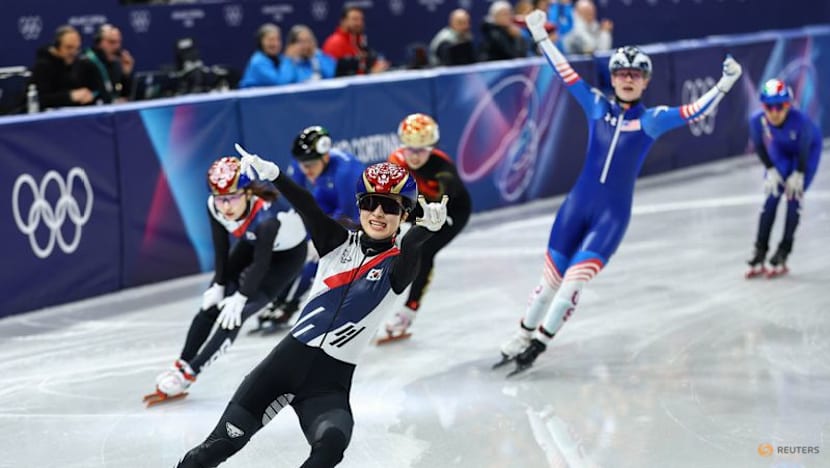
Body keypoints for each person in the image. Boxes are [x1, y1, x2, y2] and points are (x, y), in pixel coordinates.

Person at [496, 10, 743, 374]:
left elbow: (693, 111)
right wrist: (541, 38)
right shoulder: (596, 106)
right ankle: (521, 335)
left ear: (645, 82)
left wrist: (724, 84)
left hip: (610, 218)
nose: (628, 80)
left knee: (569, 287)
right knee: (548, 284)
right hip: (575, 208)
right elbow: (566, 74)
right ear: (613, 78)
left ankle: (539, 344)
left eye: (635, 75)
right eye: (622, 73)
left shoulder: (651, 119)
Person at [176, 149, 449, 467]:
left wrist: (426, 231)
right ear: (359, 205)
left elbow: (413, 246)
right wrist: (276, 174)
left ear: (404, 214)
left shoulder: (399, 265)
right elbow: (307, 205)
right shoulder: (335, 241)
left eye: (389, 205)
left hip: (327, 390)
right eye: (368, 202)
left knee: (330, 448)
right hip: (276, 372)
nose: (377, 212)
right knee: (211, 451)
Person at [145, 156, 308, 405]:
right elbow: (220, 247)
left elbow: (262, 264)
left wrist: (241, 297)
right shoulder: (214, 205)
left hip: (285, 257)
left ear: (248, 193)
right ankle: (182, 364)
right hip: (252, 244)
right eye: (221, 199)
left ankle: (190, 374)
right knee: (210, 305)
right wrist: (219, 283)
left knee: (233, 315)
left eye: (232, 197)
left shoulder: (267, 218)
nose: (226, 206)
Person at [254, 126, 366, 331]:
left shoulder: (346, 172)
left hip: (353, 213)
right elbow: (294, 196)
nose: (307, 171)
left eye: (311, 164)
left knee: (319, 255)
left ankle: (292, 303)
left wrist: (319, 239)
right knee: (295, 247)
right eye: (302, 165)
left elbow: (348, 213)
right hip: (326, 201)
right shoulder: (301, 165)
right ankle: (279, 298)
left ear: (325, 157)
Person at [383, 113, 472, 340]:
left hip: (450, 210)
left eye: (421, 150)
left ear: (431, 148)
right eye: (409, 149)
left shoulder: (443, 170)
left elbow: (438, 209)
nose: (414, 156)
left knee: (424, 249)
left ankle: (409, 310)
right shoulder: (396, 159)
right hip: (420, 205)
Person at [745, 78, 822, 278]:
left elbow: (804, 149)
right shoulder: (756, 120)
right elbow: (760, 147)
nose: (774, 112)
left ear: (788, 105)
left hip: (806, 153)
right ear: (763, 107)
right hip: (780, 150)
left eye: (780, 106)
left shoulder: (801, 121)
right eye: (769, 107)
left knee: (793, 198)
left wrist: (799, 173)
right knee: (771, 198)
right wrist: (770, 168)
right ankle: (760, 250)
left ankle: (783, 251)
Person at [28, 25, 95, 109]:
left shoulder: (79, 63)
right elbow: (41, 99)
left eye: (77, 48)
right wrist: (70, 96)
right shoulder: (43, 66)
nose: (73, 52)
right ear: (57, 46)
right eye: (69, 47)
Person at [322, 6, 389, 76]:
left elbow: (369, 63)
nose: (359, 23)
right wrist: (370, 73)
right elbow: (334, 74)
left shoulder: (360, 40)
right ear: (343, 21)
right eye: (355, 19)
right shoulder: (334, 43)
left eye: (361, 19)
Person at [76, 24, 135, 103]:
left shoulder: (116, 63)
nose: (117, 46)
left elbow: (123, 94)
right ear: (99, 42)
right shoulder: (86, 62)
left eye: (118, 42)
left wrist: (126, 74)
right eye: (112, 42)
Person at [239, 23, 291, 88]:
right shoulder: (258, 62)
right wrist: (288, 58)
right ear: (261, 42)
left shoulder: (281, 58)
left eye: (278, 39)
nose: (275, 44)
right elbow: (279, 82)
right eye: (270, 40)